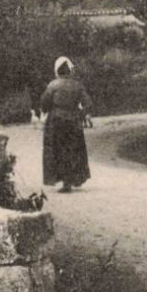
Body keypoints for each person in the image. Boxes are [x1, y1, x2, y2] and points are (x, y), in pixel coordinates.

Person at [39, 56, 92, 192]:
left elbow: (44, 103)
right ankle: (74, 179)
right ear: (69, 71)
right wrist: (80, 114)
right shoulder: (78, 85)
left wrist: (47, 110)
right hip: (73, 121)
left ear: (58, 71)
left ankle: (65, 182)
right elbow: (88, 104)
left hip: (56, 121)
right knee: (73, 149)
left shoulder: (53, 85)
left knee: (58, 150)